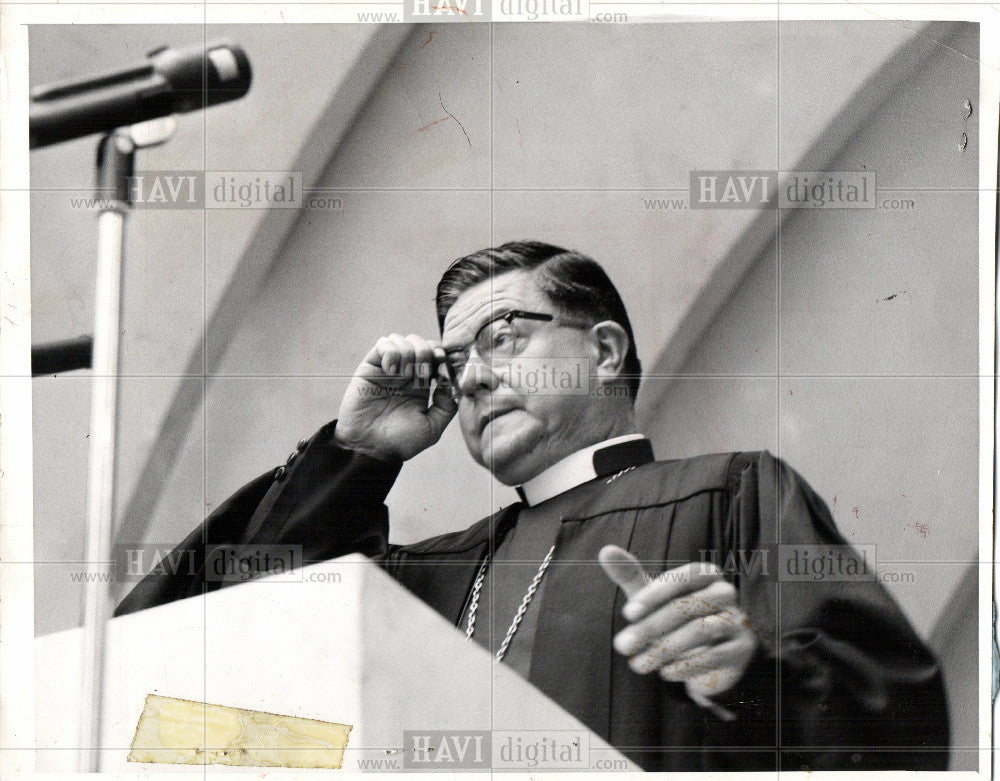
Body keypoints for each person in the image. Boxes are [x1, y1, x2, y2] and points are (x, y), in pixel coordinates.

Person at [116, 241, 949, 771]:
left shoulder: (729, 494)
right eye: (453, 361)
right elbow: (215, 648)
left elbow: (896, 729)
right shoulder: (430, 574)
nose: (471, 376)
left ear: (605, 348)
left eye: (502, 335)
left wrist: (747, 674)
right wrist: (356, 452)